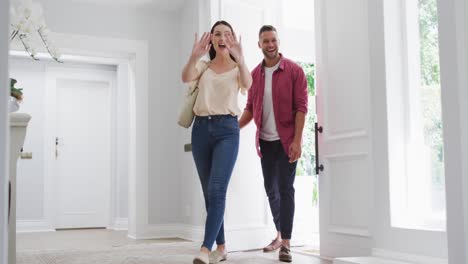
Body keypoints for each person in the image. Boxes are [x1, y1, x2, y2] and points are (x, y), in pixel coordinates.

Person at [181, 20, 252, 264]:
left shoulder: (237, 68)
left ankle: (205, 248)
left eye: (228, 34)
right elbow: (185, 77)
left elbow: (248, 83)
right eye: (218, 34)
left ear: (232, 40)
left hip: (227, 131)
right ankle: (221, 248)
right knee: (209, 193)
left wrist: (241, 59)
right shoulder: (203, 66)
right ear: (211, 39)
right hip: (200, 130)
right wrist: (193, 56)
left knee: (217, 188)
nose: (223, 38)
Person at [238, 25, 308, 263]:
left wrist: (297, 141)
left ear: (278, 42)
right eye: (265, 41)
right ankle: (279, 233)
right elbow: (249, 108)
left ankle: (286, 244)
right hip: (265, 142)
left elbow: (301, 108)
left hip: (287, 140)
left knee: (286, 190)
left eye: (274, 40)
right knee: (271, 190)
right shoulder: (255, 74)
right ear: (259, 44)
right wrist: (233, 127)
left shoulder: (294, 71)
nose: (270, 44)